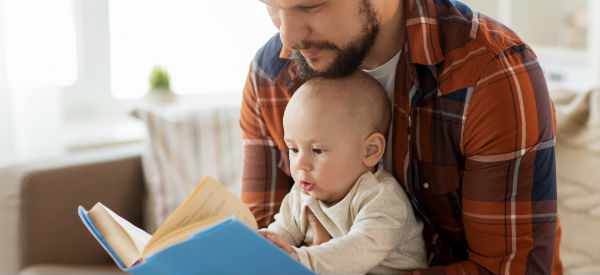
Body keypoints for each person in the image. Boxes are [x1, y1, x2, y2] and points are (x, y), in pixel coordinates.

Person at [239, 0, 563, 274]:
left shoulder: (491, 74)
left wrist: (312, 261)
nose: (287, 36)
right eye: (272, 6)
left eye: (312, 5)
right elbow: (260, 242)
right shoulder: (272, 75)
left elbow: (510, 270)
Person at [258, 71, 427, 274]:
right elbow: (282, 232)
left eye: (317, 150)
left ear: (370, 151)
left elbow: (354, 253)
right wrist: (263, 246)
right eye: (293, 149)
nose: (300, 164)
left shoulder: (383, 199)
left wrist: (298, 257)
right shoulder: (301, 194)